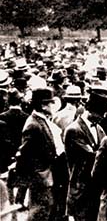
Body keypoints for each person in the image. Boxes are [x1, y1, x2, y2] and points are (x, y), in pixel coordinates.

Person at [15, 87, 62, 220]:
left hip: (46, 177)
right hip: (41, 179)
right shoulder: (33, 124)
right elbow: (25, 154)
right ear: (43, 105)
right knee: (39, 212)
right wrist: (40, 174)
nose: (53, 105)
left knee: (46, 210)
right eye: (51, 103)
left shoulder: (41, 120)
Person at [64, 92, 107, 221]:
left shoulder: (99, 129)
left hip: (96, 191)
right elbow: (91, 156)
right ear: (89, 110)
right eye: (100, 114)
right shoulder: (74, 130)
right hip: (81, 191)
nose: (102, 117)